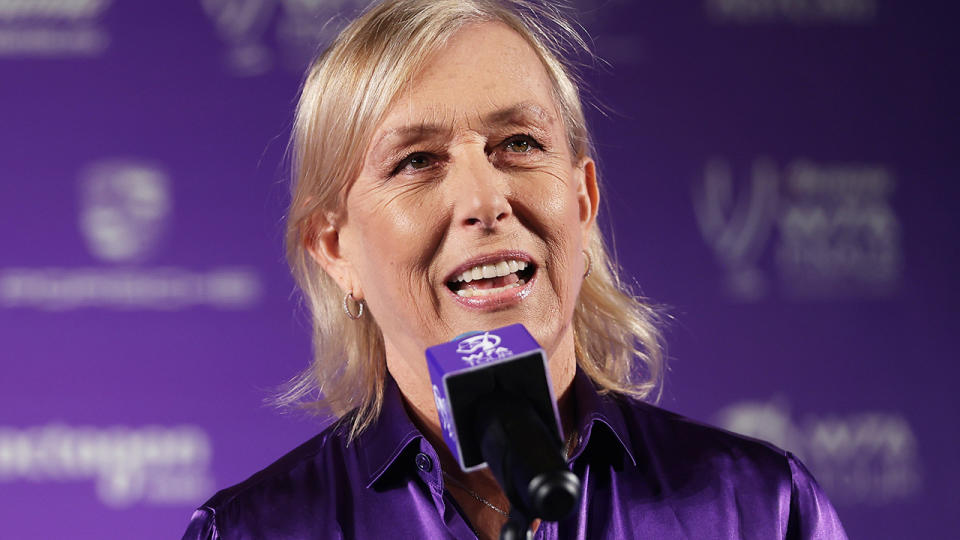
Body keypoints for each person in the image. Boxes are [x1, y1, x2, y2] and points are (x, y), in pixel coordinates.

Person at [182, 1, 847, 538]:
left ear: (583, 202)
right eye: (418, 160)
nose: (485, 199)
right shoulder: (249, 533)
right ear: (335, 249)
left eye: (519, 144)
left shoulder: (762, 512)